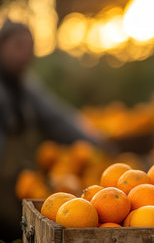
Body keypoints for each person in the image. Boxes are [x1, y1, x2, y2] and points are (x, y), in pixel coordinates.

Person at [0, 20, 99, 241]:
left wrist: (97, 143)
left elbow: (58, 118)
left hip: (18, 185)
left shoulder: (25, 86)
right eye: (17, 46)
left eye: (29, 47)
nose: (24, 54)